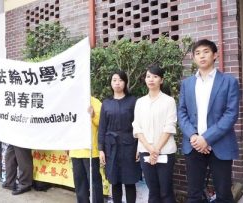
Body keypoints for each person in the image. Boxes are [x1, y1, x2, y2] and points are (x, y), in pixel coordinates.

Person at [178, 39, 240, 203]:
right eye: (197, 53)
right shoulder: (187, 84)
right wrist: (193, 136)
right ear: (193, 58)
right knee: (193, 195)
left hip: (220, 145)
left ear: (215, 55)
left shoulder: (229, 82)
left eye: (206, 51)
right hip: (193, 146)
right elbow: (182, 112)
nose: (201, 56)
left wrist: (206, 138)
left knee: (224, 195)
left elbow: (231, 114)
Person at [132, 65, 177, 203]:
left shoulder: (169, 101)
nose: (151, 79)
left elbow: (169, 127)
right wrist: (150, 149)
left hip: (165, 151)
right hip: (146, 151)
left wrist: (156, 149)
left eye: (155, 76)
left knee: (166, 191)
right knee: (153, 190)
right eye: (148, 76)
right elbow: (137, 127)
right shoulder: (140, 102)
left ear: (161, 80)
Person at [98, 70, 141, 203]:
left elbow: (139, 126)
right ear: (110, 83)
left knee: (129, 181)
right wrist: (101, 149)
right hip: (111, 147)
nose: (117, 83)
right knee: (115, 181)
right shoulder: (106, 103)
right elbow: (102, 127)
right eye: (114, 80)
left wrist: (140, 146)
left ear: (125, 82)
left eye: (120, 80)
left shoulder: (133, 101)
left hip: (130, 146)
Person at [69, 96, 104, 203]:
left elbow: (102, 123)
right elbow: (66, 125)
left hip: (90, 150)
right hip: (75, 149)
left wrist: (93, 115)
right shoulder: (70, 101)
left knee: (94, 182)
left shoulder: (95, 102)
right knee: (79, 182)